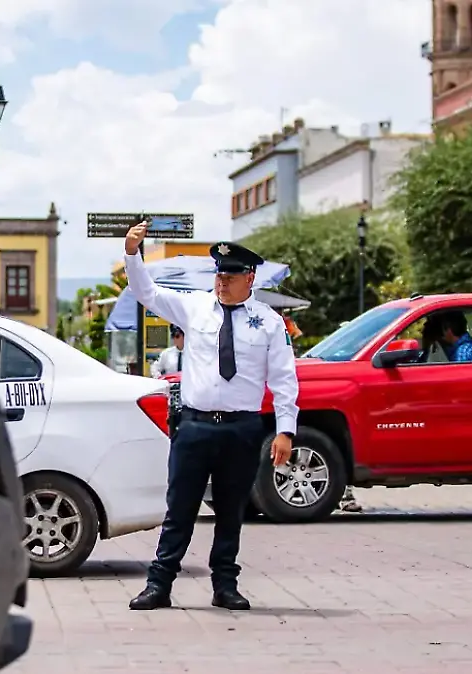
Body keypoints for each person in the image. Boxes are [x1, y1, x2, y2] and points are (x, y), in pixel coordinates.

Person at [122, 225, 298, 612]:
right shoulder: (194, 306)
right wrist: (133, 254)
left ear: (249, 278)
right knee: (180, 507)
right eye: (218, 274)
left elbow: (284, 378)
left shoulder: (268, 322)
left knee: (231, 510)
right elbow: (147, 293)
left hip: (242, 429)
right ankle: (159, 584)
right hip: (196, 425)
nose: (222, 282)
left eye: (230, 276)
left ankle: (225, 585)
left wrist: (286, 430)